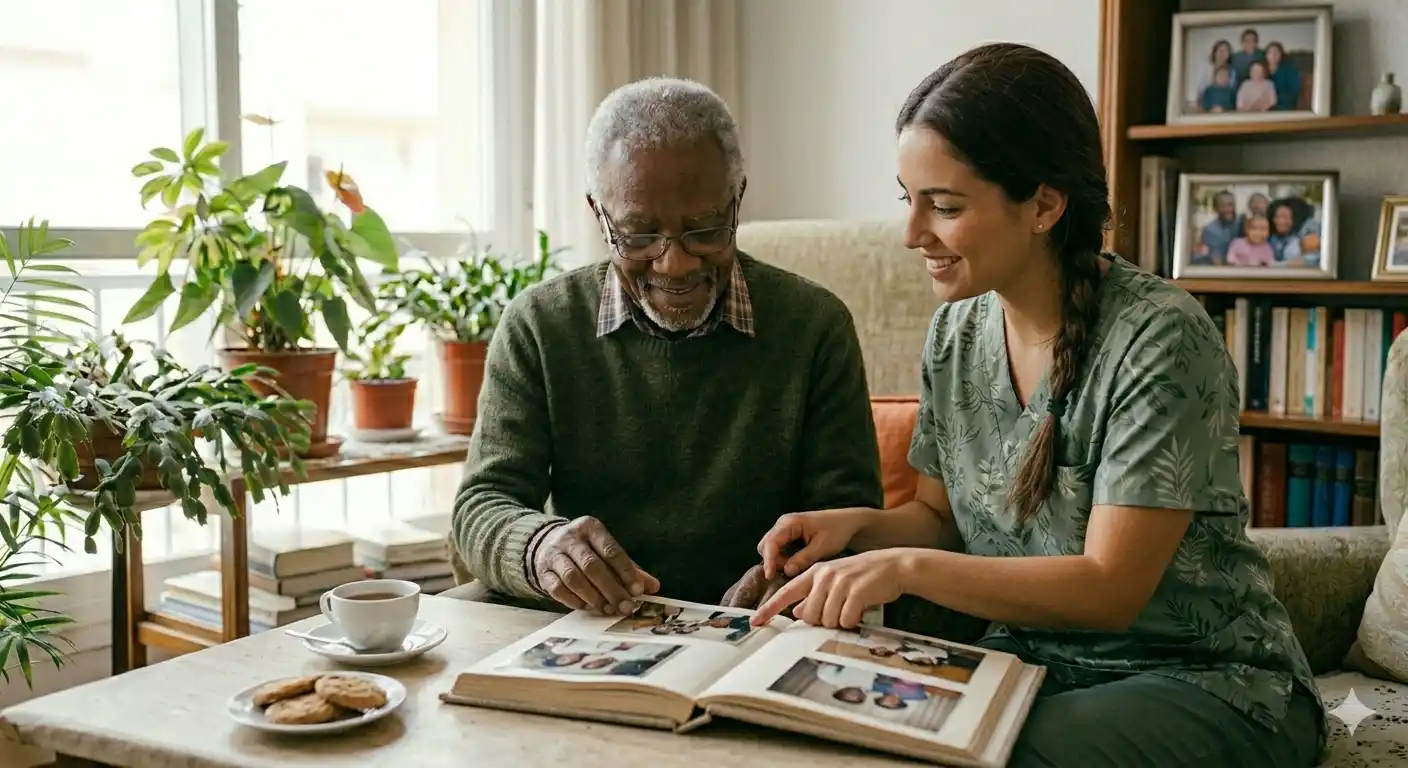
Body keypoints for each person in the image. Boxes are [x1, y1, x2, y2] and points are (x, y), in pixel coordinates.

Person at [747, 43, 1326, 768]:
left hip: (1205, 682)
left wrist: (901, 569)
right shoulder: (955, 334)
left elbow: (1109, 589)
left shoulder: (1162, 338)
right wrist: (854, 530)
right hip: (1027, 668)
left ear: (1045, 205)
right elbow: (938, 520)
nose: (911, 233)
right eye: (909, 199)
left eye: (945, 206)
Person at [449, 77, 882, 616]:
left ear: (737, 198)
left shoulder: (814, 325)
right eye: (637, 234)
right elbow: (480, 506)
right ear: (598, 214)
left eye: (704, 229)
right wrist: (540, 548)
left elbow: (851, 515)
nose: (673, 263)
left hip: (761, 621)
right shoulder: (538, 324)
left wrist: (801, 572)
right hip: (591, 622)